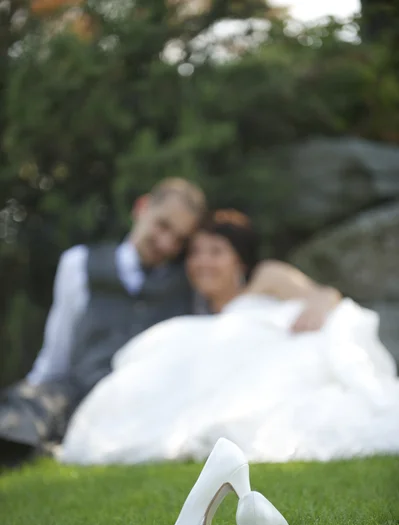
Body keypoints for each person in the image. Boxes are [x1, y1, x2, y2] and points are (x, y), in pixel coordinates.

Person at [59, 210, 399, 466]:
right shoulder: (195, 304)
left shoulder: (266, 278)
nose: (202, 262)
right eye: (195, 253)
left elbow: (323, 295)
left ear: (239, 258)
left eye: (216, 251)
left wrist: (320, 306)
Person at [0, 177, 207, 465]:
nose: (166, 243)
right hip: (77, 396)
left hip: (144, 407)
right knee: (24, 407)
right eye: (163, 225)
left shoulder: (190, 284)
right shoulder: (79, 264)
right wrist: (29, 397)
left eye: (180, 239)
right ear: (142, 207)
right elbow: (55, 358)